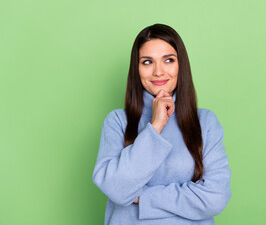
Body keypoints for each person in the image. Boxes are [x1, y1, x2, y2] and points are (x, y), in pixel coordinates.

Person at [92, 23, 232, 225]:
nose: (158, 72)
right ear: (137, 69)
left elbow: (216, 197)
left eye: (168, 60)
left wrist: (144, 198)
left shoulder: (205, 122)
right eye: (147, 62)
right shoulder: (117, 122)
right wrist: (155, 126)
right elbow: (116, 188)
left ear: (180, 65)